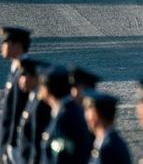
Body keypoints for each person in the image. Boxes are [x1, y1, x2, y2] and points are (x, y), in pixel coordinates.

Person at [38, 66, 91, 164]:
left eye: (41, 85)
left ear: (48, 89)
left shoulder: (65, 116)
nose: (39, 89)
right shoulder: (66, 110)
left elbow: (62, 157)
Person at [1, 27, 31, 164]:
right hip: (10, 141)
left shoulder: (26, 74)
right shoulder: (16, 70)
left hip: (18, 142)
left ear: (17, 46)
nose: (2, 47)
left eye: (6, 43)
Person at [16, 58, 51, 164]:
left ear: (36, 78)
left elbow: (37, 141)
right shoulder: (32, 98)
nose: (20, 80)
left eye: (24, 76)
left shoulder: (40, 104)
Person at [83, 92, 131, 164]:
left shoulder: (107, 148)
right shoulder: (110, 142)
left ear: (95, 114)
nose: (86, 117)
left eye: (88, 111)